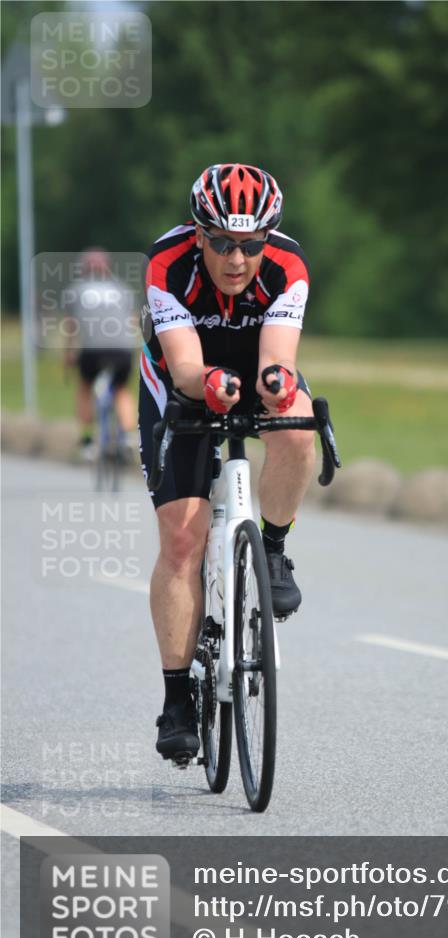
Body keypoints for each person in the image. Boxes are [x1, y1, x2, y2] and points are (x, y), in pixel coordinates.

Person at [139, 163, 315, 762]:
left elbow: (278, 353)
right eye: (221, 242)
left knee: (296, 426)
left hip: (252, 359)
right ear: (197, 234)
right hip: (182, 376)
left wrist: (274, 381)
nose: (237, 259)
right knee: (183, 541)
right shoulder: (167, 264)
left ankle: (271, 548)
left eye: (250, 244)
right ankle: (176, 700)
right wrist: (208, 381)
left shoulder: (288, 267)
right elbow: (185, 364)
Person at [63, 248, 138, 460]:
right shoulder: (122, 289)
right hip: (122, 349)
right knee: (122, 389)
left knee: (85, 387)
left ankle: (87, 441)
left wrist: (68, 355)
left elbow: (72, 327)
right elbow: (133, 322)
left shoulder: (75, 290)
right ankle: (128, 437)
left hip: (92, 350)